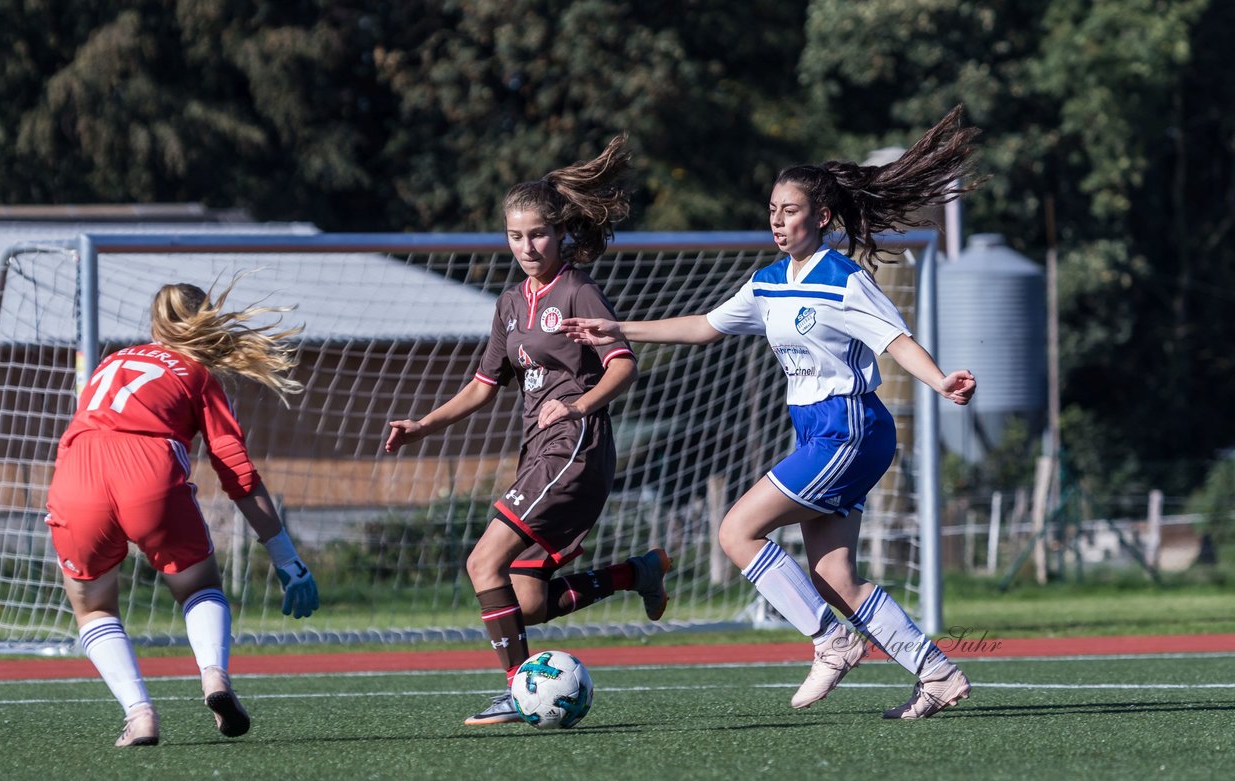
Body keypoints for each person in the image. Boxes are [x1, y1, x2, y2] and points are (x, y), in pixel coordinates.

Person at [563, 106, 982, 719]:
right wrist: (618, 326)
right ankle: (937, 673)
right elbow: (705, 327)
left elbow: (896, 340)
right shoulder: (769, 282)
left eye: (789, 210)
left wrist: (941, 380)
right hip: (820, 431)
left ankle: (832, 641)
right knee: (835, 575)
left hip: (849, 428)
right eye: (772, 210)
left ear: (822, 216)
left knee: (736, 530)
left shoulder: (844, 281)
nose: (777, 221)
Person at [385, 133, 670, 725]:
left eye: (537, 234)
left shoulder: (578, 289)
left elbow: (623, 366)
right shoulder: (511, 303)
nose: (527, 246)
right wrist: (423, 426)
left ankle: (517, 690)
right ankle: (635, 572)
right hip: (537, 455)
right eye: (515, 236)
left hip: (573, 451)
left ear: (559, 231)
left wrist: (579, 405)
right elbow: (483, 386)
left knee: (481, 564)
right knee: (528, 603)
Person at [45, 282, 320, 747]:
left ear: (155, 325)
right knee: (199, 588)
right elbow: (237, 473)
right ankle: (214, 676)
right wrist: (285, 555)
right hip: (147, 471)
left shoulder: (110, 363)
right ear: (207, 319)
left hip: (77, 472)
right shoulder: (198, 376)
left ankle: (140, 715)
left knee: (92, 607)